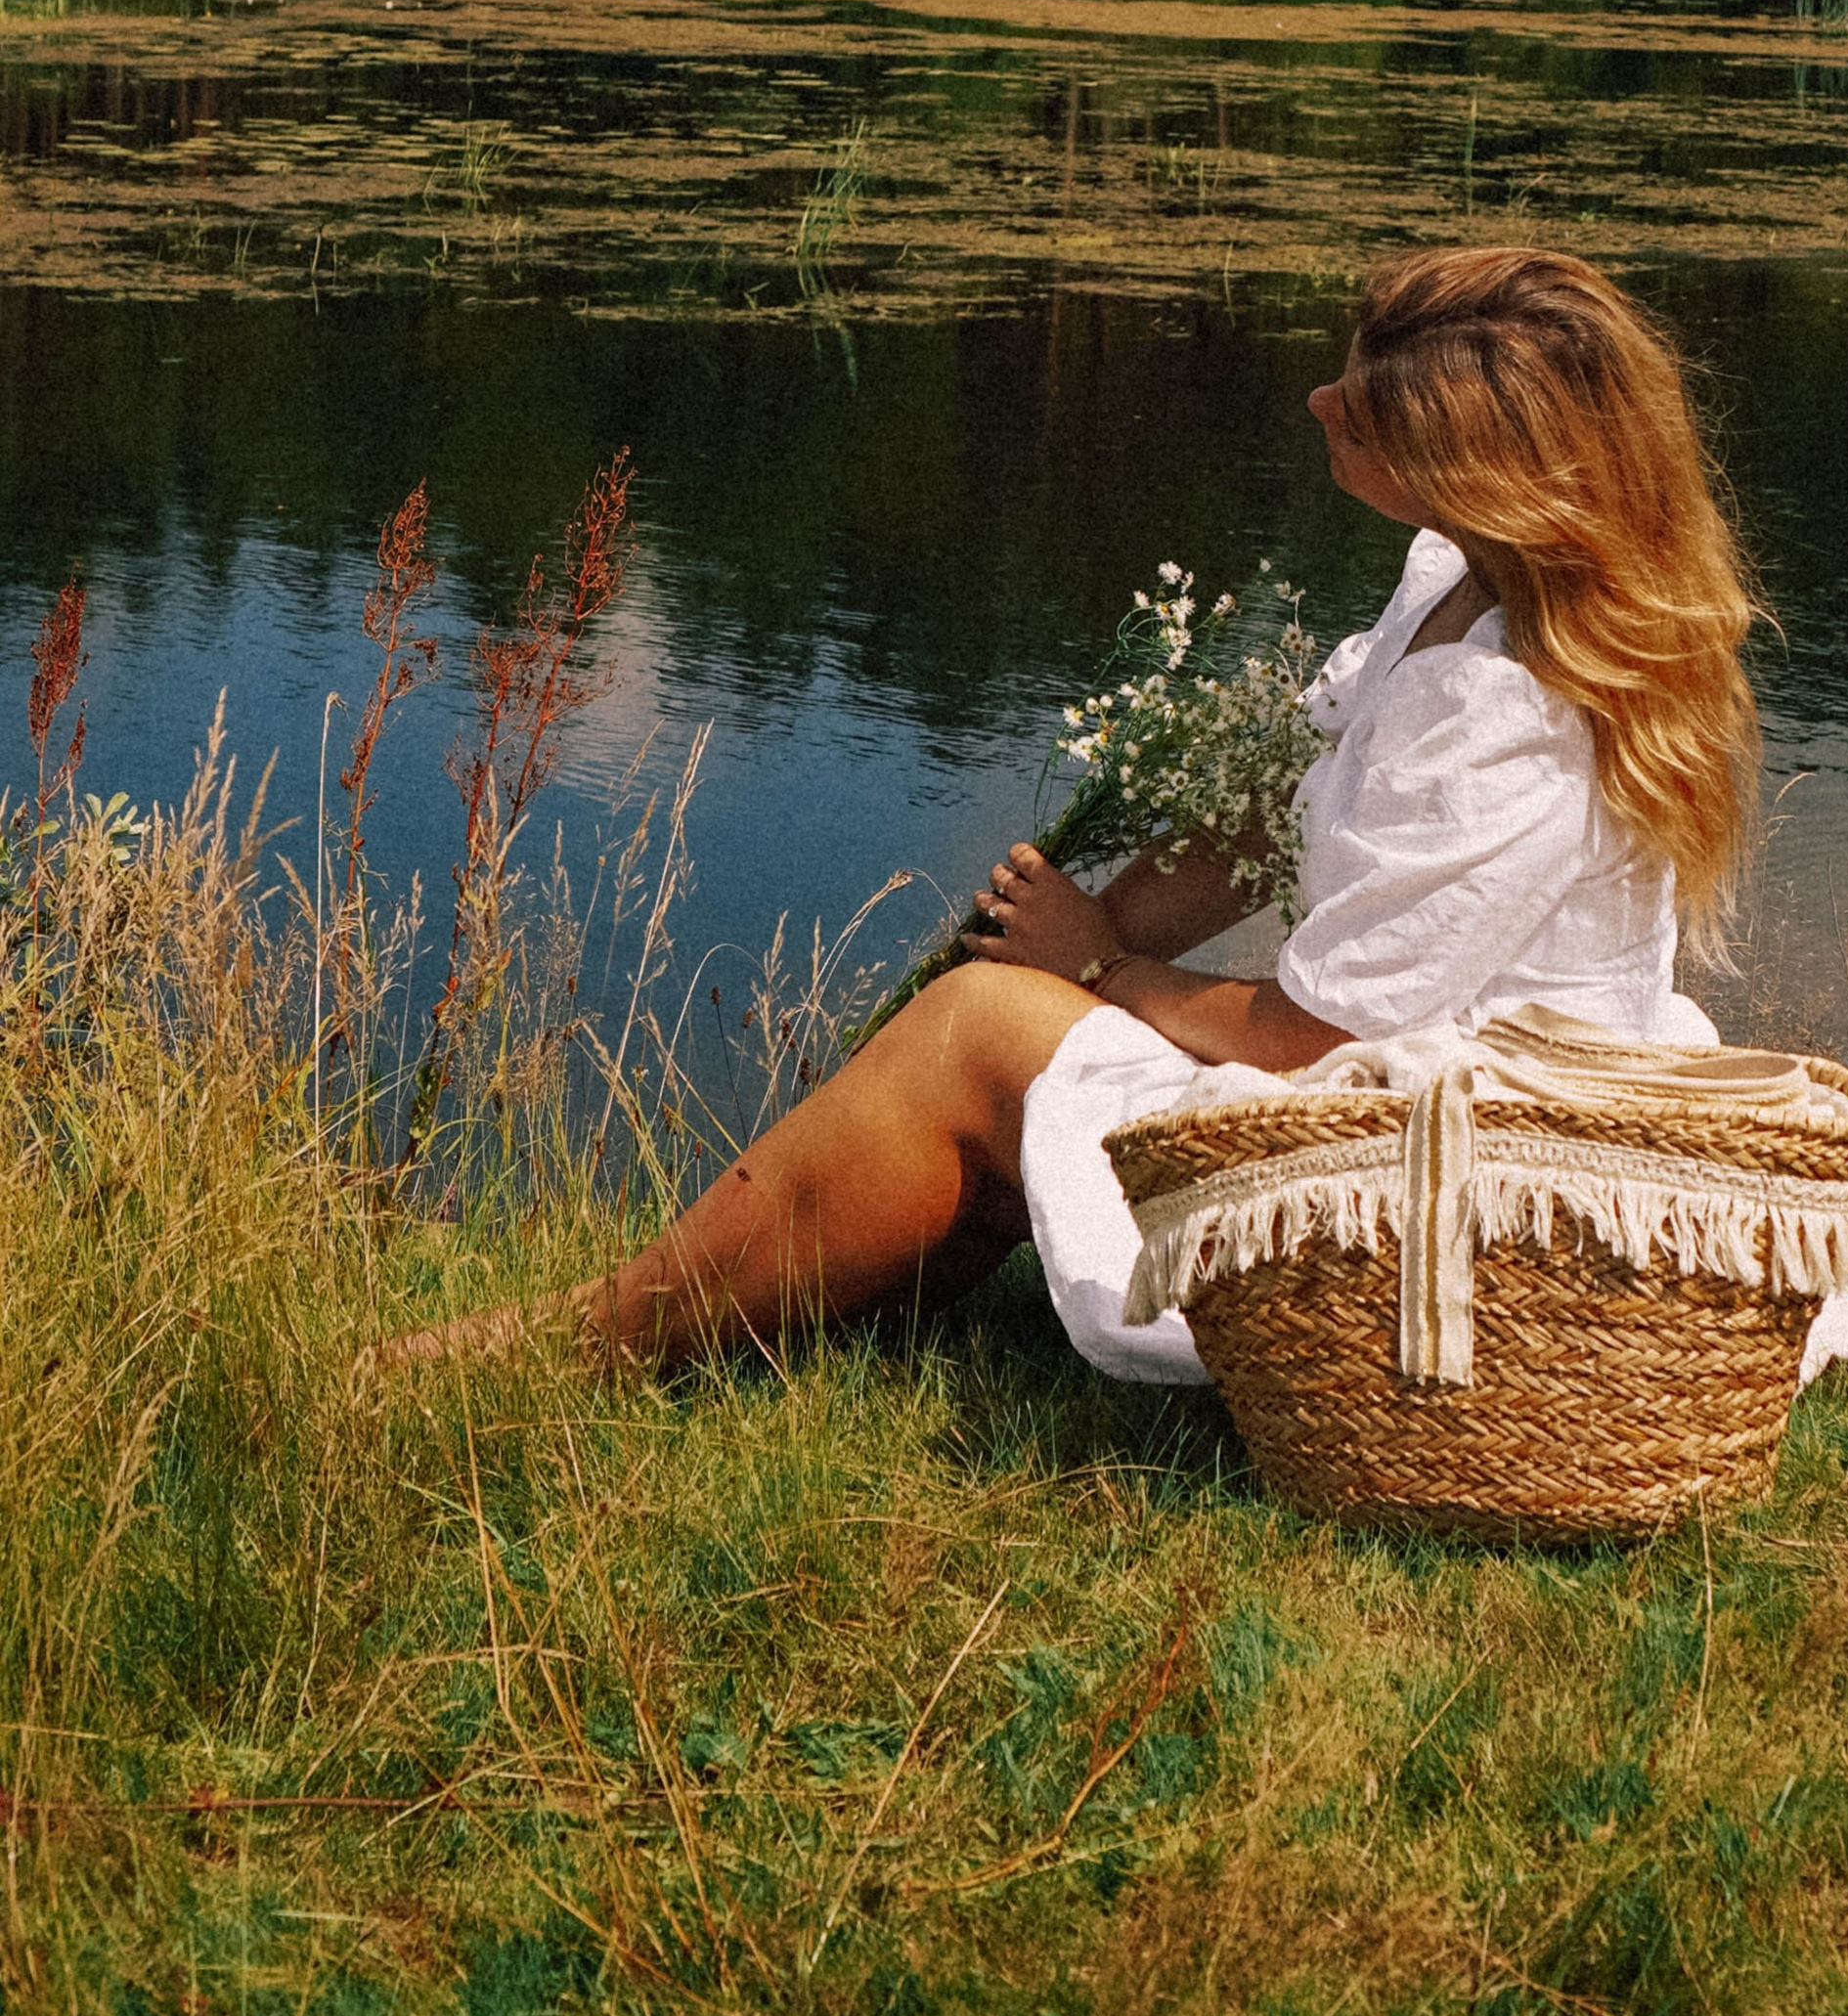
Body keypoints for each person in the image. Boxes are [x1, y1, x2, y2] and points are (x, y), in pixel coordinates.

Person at [384, 245, 1758, 1380]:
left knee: (980, 1029)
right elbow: (1276, 818)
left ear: (1476, 476)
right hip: (1415, 1104)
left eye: (1366, 406)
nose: (1319, 401)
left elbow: (1311, 1039)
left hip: (1449, 1177)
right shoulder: (1462, 589)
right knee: (1009, 1038)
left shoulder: (1507, 712)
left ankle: (574, 1346)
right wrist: (1096, 926)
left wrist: (1095, 968)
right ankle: (781, 1308)